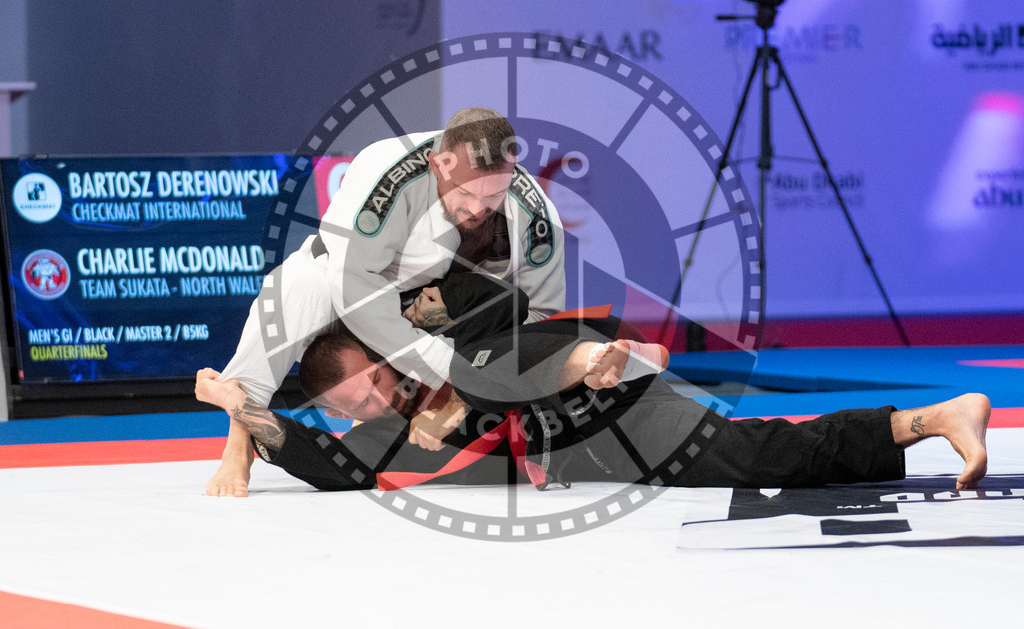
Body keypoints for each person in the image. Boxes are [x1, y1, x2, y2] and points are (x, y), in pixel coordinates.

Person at [196, 274, 991, 494]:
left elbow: (521, 334)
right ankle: (927, 419)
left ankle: (933, 416)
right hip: (588, 453)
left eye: (354, 398)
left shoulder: (444, 338)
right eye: (343, 412)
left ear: (376, 365)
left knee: (758, 458)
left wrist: (592, 360)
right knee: (758, 455)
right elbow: (344, 465)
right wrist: (253, 422)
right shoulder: (399, 414)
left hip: (612, 410)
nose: (359, 415)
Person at [205, 108, 566, 496]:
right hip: (345, 285)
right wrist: (444, 371)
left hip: (435, 310)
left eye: (494, 194)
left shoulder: (537, 220)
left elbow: (541, 317)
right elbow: (353, 285)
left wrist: (478, 382)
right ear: (438, 165)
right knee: (293, 289)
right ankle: (239, 443)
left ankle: (374, 422)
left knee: (499, 307)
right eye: (465, 192)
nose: (479, 207)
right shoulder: (389, 176)